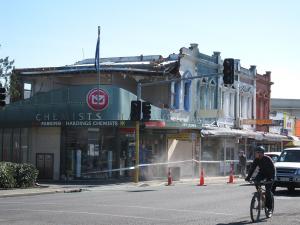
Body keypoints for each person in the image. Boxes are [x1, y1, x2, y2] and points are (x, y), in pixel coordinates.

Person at [245, 146, 275, 211]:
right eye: (255, 152)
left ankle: (269, 207)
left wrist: (272, 179)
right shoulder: (256, 160)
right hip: (262, 174)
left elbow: (273, 169)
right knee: (256, 181)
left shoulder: (268, 159)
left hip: (270, 175)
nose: (255, 154)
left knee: (268, 190)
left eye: (256, 153)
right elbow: (252, 169)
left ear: (261, 153)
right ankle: (261, 198)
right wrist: (248, 177)